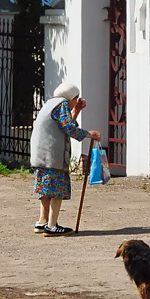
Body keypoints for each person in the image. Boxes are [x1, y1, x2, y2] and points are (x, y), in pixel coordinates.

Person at [29, 82, 101, 236]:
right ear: (71, 98)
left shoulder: (50, 104)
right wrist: (90, 134)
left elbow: (63, 125)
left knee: (45, 189)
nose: (76, 101)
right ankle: (52, 226)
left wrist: (76, 111)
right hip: (51, 156)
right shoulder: (62, 105)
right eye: (76, 99)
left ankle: (42, 222)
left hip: (40, 156)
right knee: (56, 190)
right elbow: (69, 128)